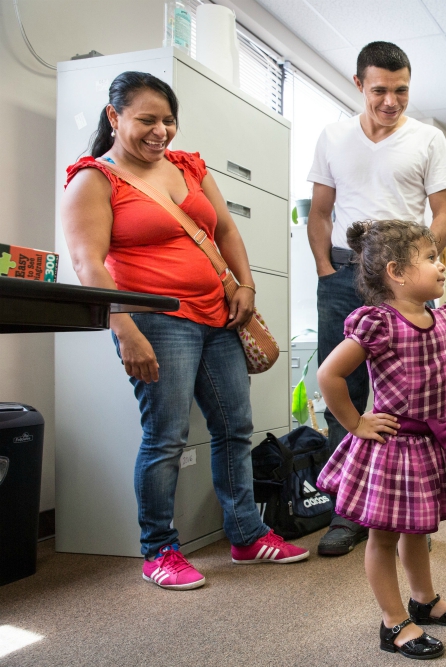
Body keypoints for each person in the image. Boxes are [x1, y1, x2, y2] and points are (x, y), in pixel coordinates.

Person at [61, 72, 309, 591]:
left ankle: (246, 535)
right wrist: (124, 329)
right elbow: (89, 264)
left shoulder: (187, 166)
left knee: (234, 429)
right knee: (165, 439)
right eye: (147, 120)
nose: (161, 132)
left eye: (168, 120)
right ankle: (160, 551)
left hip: (219, 315)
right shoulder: (94, 179)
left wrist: (247, 286)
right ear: (114, 117)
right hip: (155, 321)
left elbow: (225, 229)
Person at [307, 41, 446, 558]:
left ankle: (416, 504)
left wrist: (419, 263)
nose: (391, 101)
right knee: (344, 385)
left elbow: (444, 213)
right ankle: (349, 513)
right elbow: (321, 211)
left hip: (404, 278)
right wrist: (326, 267)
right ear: (359, 85)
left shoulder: (428, 139)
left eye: (401, 91)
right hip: (344, 274)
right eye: (380, 90)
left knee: (418, 389)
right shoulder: (332, 136)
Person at [316, 219, 446, 661]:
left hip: (429, 441)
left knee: (420, 529)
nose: (441, 266)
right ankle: (393, 623)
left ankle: (423, 599)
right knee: (385, 537)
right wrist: (356, 423)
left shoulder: (444, 320)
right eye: (430, 258)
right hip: (393, 447)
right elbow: (328, 374)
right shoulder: (379, 324)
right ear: (397, 272)